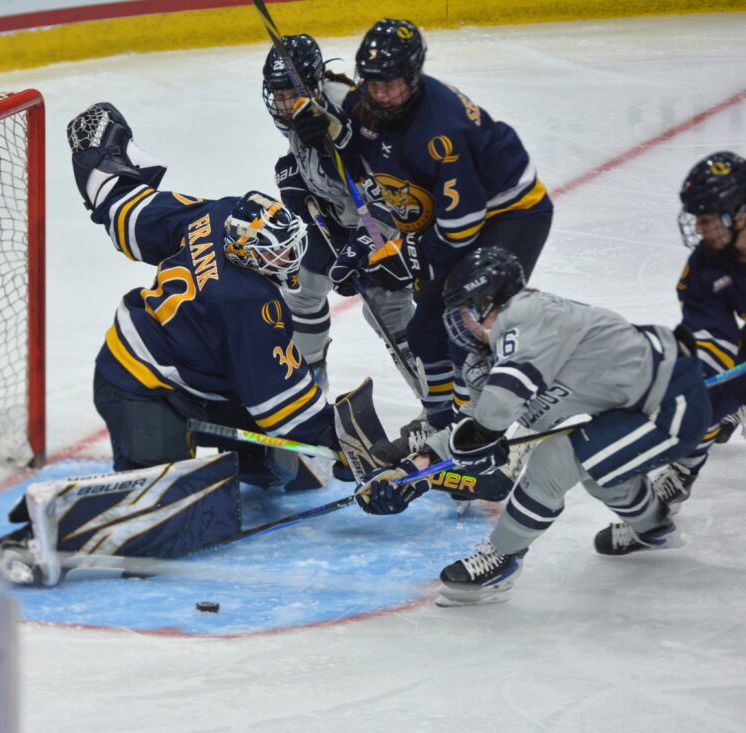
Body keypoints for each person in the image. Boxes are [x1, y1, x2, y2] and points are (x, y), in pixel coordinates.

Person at [353, 247, 712, 606]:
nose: (459, 321)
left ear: (490, 302)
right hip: (634, 409)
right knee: (602, 473)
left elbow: (493, 418)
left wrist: (478, 441)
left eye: (465, 309)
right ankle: (655, 528)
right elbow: (475, 426)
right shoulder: (489, 352)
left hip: (672, 402)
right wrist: (408, 474)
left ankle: (502, 560)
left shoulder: (529, 315)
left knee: (557, 461)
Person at [68, 101, 347, 492]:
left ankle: (250, 461)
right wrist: (341, 443)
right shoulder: (248, 304)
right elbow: (283, 402)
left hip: (198, 375)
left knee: (284, 467)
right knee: (160, 497)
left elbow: (130, 214)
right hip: (140, 381)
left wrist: (98, 163)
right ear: (254, 255)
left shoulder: (220, 217)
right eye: (278, 253)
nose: (288, 259)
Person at [330, 19, 554, 443]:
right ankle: (441, 427)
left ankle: (481, 430)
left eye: (391, 84)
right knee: (423, 332)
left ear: (413, 76)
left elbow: (461, 226)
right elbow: (350, 156)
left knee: (465, 320)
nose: (380, 94)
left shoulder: (442, 129)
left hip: (511, 213)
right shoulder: (362, 104)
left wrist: (413, 254)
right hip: (446, 222)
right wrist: (324, 139)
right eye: (373, 83)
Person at [261, 34, 421, 412]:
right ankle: (309, 393)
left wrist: (367, 244)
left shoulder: (355, 111)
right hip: (337, 216)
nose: (283, 103)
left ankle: (448, 412)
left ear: (315, 82)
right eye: (276, 93)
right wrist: (296, 175)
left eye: (289, 93)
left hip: (393, 223)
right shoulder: (297, 109)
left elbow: (399, 196)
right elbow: (304, 159)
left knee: (389, 312)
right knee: (300, 289)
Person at [651, 151, 746, 511]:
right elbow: (710, 337)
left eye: (708, 219)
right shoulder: (706, 266)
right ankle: (683, 470)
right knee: (708, 395)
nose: (700, 229)